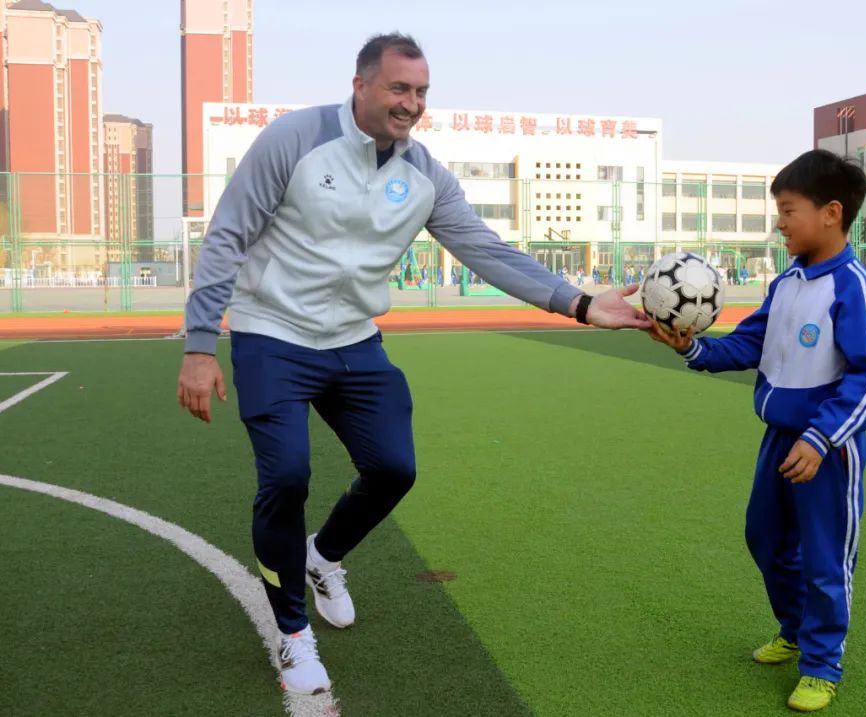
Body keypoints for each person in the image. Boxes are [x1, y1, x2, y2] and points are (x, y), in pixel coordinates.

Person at [176, 33, 649, 696]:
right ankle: (292, 632)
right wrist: (200, 344)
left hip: (353, 339)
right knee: (286, 474)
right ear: (361, 85)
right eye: (399, 87)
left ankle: (322, 556)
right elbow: (228, 234)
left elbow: (486, 249)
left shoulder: (424, 175)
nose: (411, 103)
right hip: (272, 334)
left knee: (394, 467)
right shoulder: (294, 139)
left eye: (421, 91)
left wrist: (581, 302)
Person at [646, 149, 866, 712]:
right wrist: (692, 348)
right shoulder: (786, 283)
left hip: (828, 450)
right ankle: (795, 630)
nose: (779, 222)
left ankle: (822, 665)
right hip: (780, 441)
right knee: (766, 539)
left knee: (825, 560)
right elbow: (748, 344)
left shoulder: (853, 287)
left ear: (831, 212)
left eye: (787, 210)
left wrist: (821, 438)